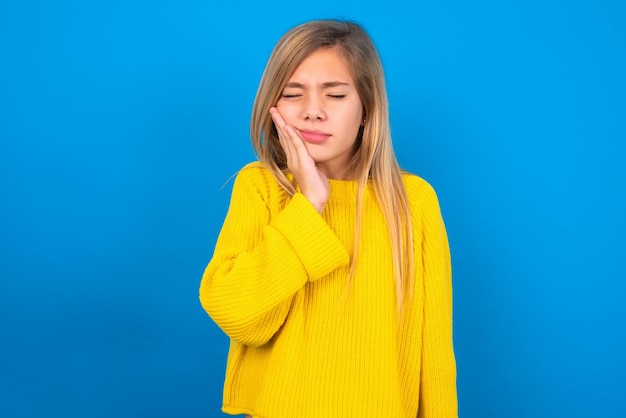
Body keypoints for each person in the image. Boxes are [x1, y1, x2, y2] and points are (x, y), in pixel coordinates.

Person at [199, 19, 457, 418]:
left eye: (335, 95)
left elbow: (434, 351)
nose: (312, 112)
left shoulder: (414, 202)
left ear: (367, 109)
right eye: (292, 94)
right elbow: (239, 316)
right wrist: (309, 204)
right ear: (272, 106)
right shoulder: (260, 188)